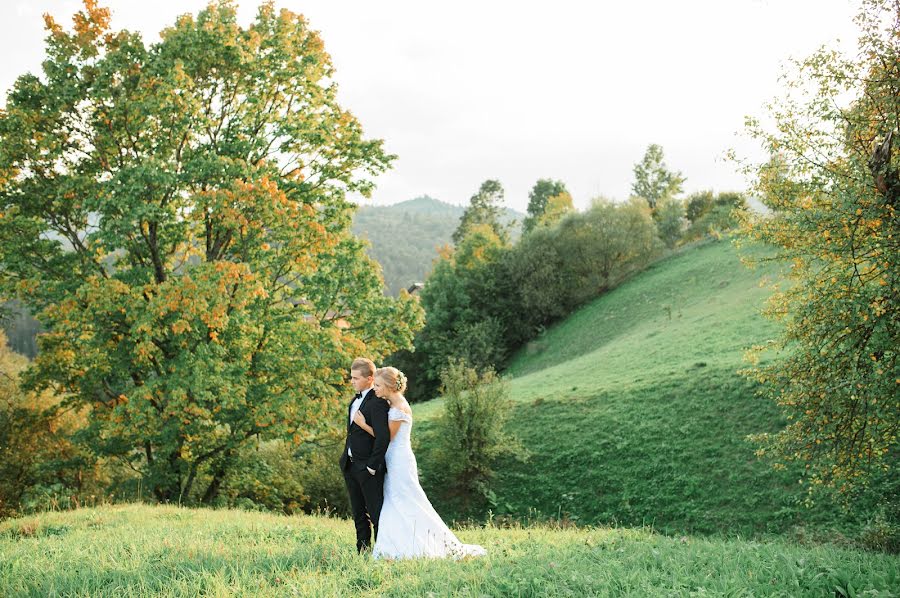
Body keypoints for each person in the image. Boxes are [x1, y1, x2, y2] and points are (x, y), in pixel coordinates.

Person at [352, 366, 486, 560]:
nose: (375, 389)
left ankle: (408, 546)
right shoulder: (393, 403)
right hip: (393, 459)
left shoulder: (399, 408)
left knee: (404, 501)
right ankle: (399, 545)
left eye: (379, 385)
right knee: (396, 501)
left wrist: (363, 425)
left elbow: (386, 438)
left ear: (390, 386)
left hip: (399, 461)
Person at [339, 357, 390, 553]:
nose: (352, 381)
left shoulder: (377, 402)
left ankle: (382, 552)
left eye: (355, 378)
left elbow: (382, 437)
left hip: (368, 468)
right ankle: (362, 551)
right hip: (350, 466)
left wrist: (372, 465)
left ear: (370, 378)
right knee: (359, 514)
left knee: (376, 514)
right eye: (351, 377)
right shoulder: (355, 400)